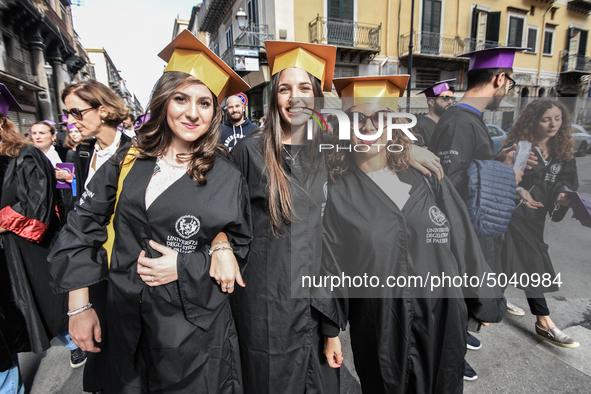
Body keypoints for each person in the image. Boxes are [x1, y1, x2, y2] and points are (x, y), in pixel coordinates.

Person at [230, 41, 445, 394]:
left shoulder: (330, 149)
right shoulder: (249, 152)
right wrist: (221, 243)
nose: (294, 98)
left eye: (304, 88)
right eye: (285, 88)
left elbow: (372, 145)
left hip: (318, 300)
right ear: (273, 95)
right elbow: (222, 212)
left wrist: (407, 148)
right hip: (267, 302)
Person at [48, 30, 252, 393]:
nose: (192, 112)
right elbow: (82, 226)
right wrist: (78, 307)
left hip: (190, 334)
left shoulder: (227, 175)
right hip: (125, 317)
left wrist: (195, 259)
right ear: (163, 101)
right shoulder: (129, 160)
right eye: (181, 98)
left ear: (215, 112)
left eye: (205, 103)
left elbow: (239, 251)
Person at [322, 75, 505, 394]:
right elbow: (333, 265)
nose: (368, 128)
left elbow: (461, 238)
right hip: (380, 322)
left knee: (442, 382)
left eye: (379, 118)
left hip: (440, 314)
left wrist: (482, 297)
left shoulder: (427, 177)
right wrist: (330, 329)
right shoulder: (338, 192)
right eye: (357, 119)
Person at [428, 47, 530, 380]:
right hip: (461, 234)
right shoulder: (459, 121)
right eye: (509, 82)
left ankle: (457, 343)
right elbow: (450, 183)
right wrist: (505, 175)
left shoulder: (466, 118)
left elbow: (471, 169)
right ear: (500, 79)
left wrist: (500, 162)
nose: (508, 90)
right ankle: (451, 358)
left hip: (470, 230)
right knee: (457, 304)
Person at [0, 84, 71, 388]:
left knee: (50, 310)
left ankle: (83, 343)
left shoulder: (25, 156)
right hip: (3, 255)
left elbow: (35, 212)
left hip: (27, 253)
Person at [502, 98, 579, 348]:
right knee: (533, 258)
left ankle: (492, 300)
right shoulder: (522, 147)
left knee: (508, 258)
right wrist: (519, 190)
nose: (553, 124)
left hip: (537, 216)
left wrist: (562, 195)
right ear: (533, 121)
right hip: (514, 213)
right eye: (546, 119)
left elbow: (567, 181)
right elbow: (505, 178)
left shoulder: (562, 151)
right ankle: (544, 320)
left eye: (557, 118)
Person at [415, 79, 455, 146]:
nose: (450, 102)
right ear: (431, 102)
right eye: (445, 98)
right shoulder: (420, 127)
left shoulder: (450, 123)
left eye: (452, 98)